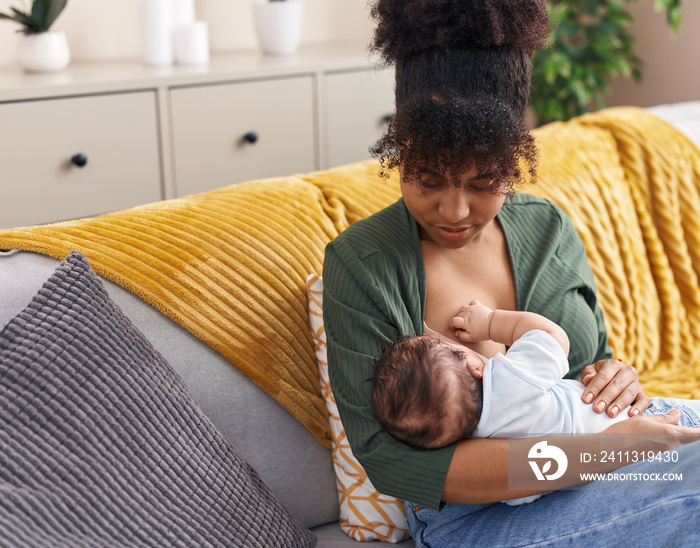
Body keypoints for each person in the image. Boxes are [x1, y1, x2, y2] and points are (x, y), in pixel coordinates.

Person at [322, 0, 700, 545]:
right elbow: (393, 464)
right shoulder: (363, 264)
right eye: (426, 176)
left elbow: (592, 364)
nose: (453, 210)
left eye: (482, 181)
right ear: (397, 149)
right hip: (483, 512)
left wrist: (615, 377)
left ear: (514, 158)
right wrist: (610, 450)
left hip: (605, 448)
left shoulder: (547, 228)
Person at [371, 300, 700, 448]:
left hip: (608, 470)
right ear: (475, 366)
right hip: (640, 417)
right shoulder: (509, 380)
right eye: (443, 346)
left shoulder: (487, 443)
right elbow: (554, 338)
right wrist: (491, 322)